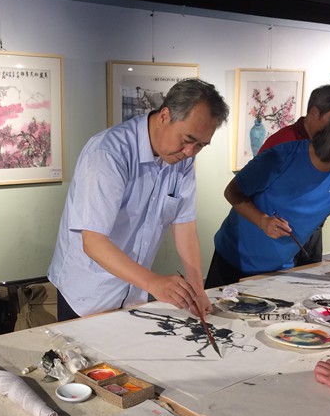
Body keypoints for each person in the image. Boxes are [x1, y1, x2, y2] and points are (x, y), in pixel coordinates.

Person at [48, 78, 229, 320]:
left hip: (133, 292)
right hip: (87, 293)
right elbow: (93, 242)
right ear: (164, 116)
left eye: (201, 145)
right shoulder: (109, 153)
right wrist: (154, 283)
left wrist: (197, 290)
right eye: (187, 140)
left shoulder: (182, 159)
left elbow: (184, 224)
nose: (190, 152)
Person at [204, 109, 330, 289]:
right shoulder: (283, 156)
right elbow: (232, 192)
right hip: (233, 258)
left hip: (279, 268)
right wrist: (262, 221)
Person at [258, 84, 330, 265]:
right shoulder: (283, 145)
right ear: (314, 113)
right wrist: (263, 221)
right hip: (273, 234)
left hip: (311, 230)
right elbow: (246, 191)